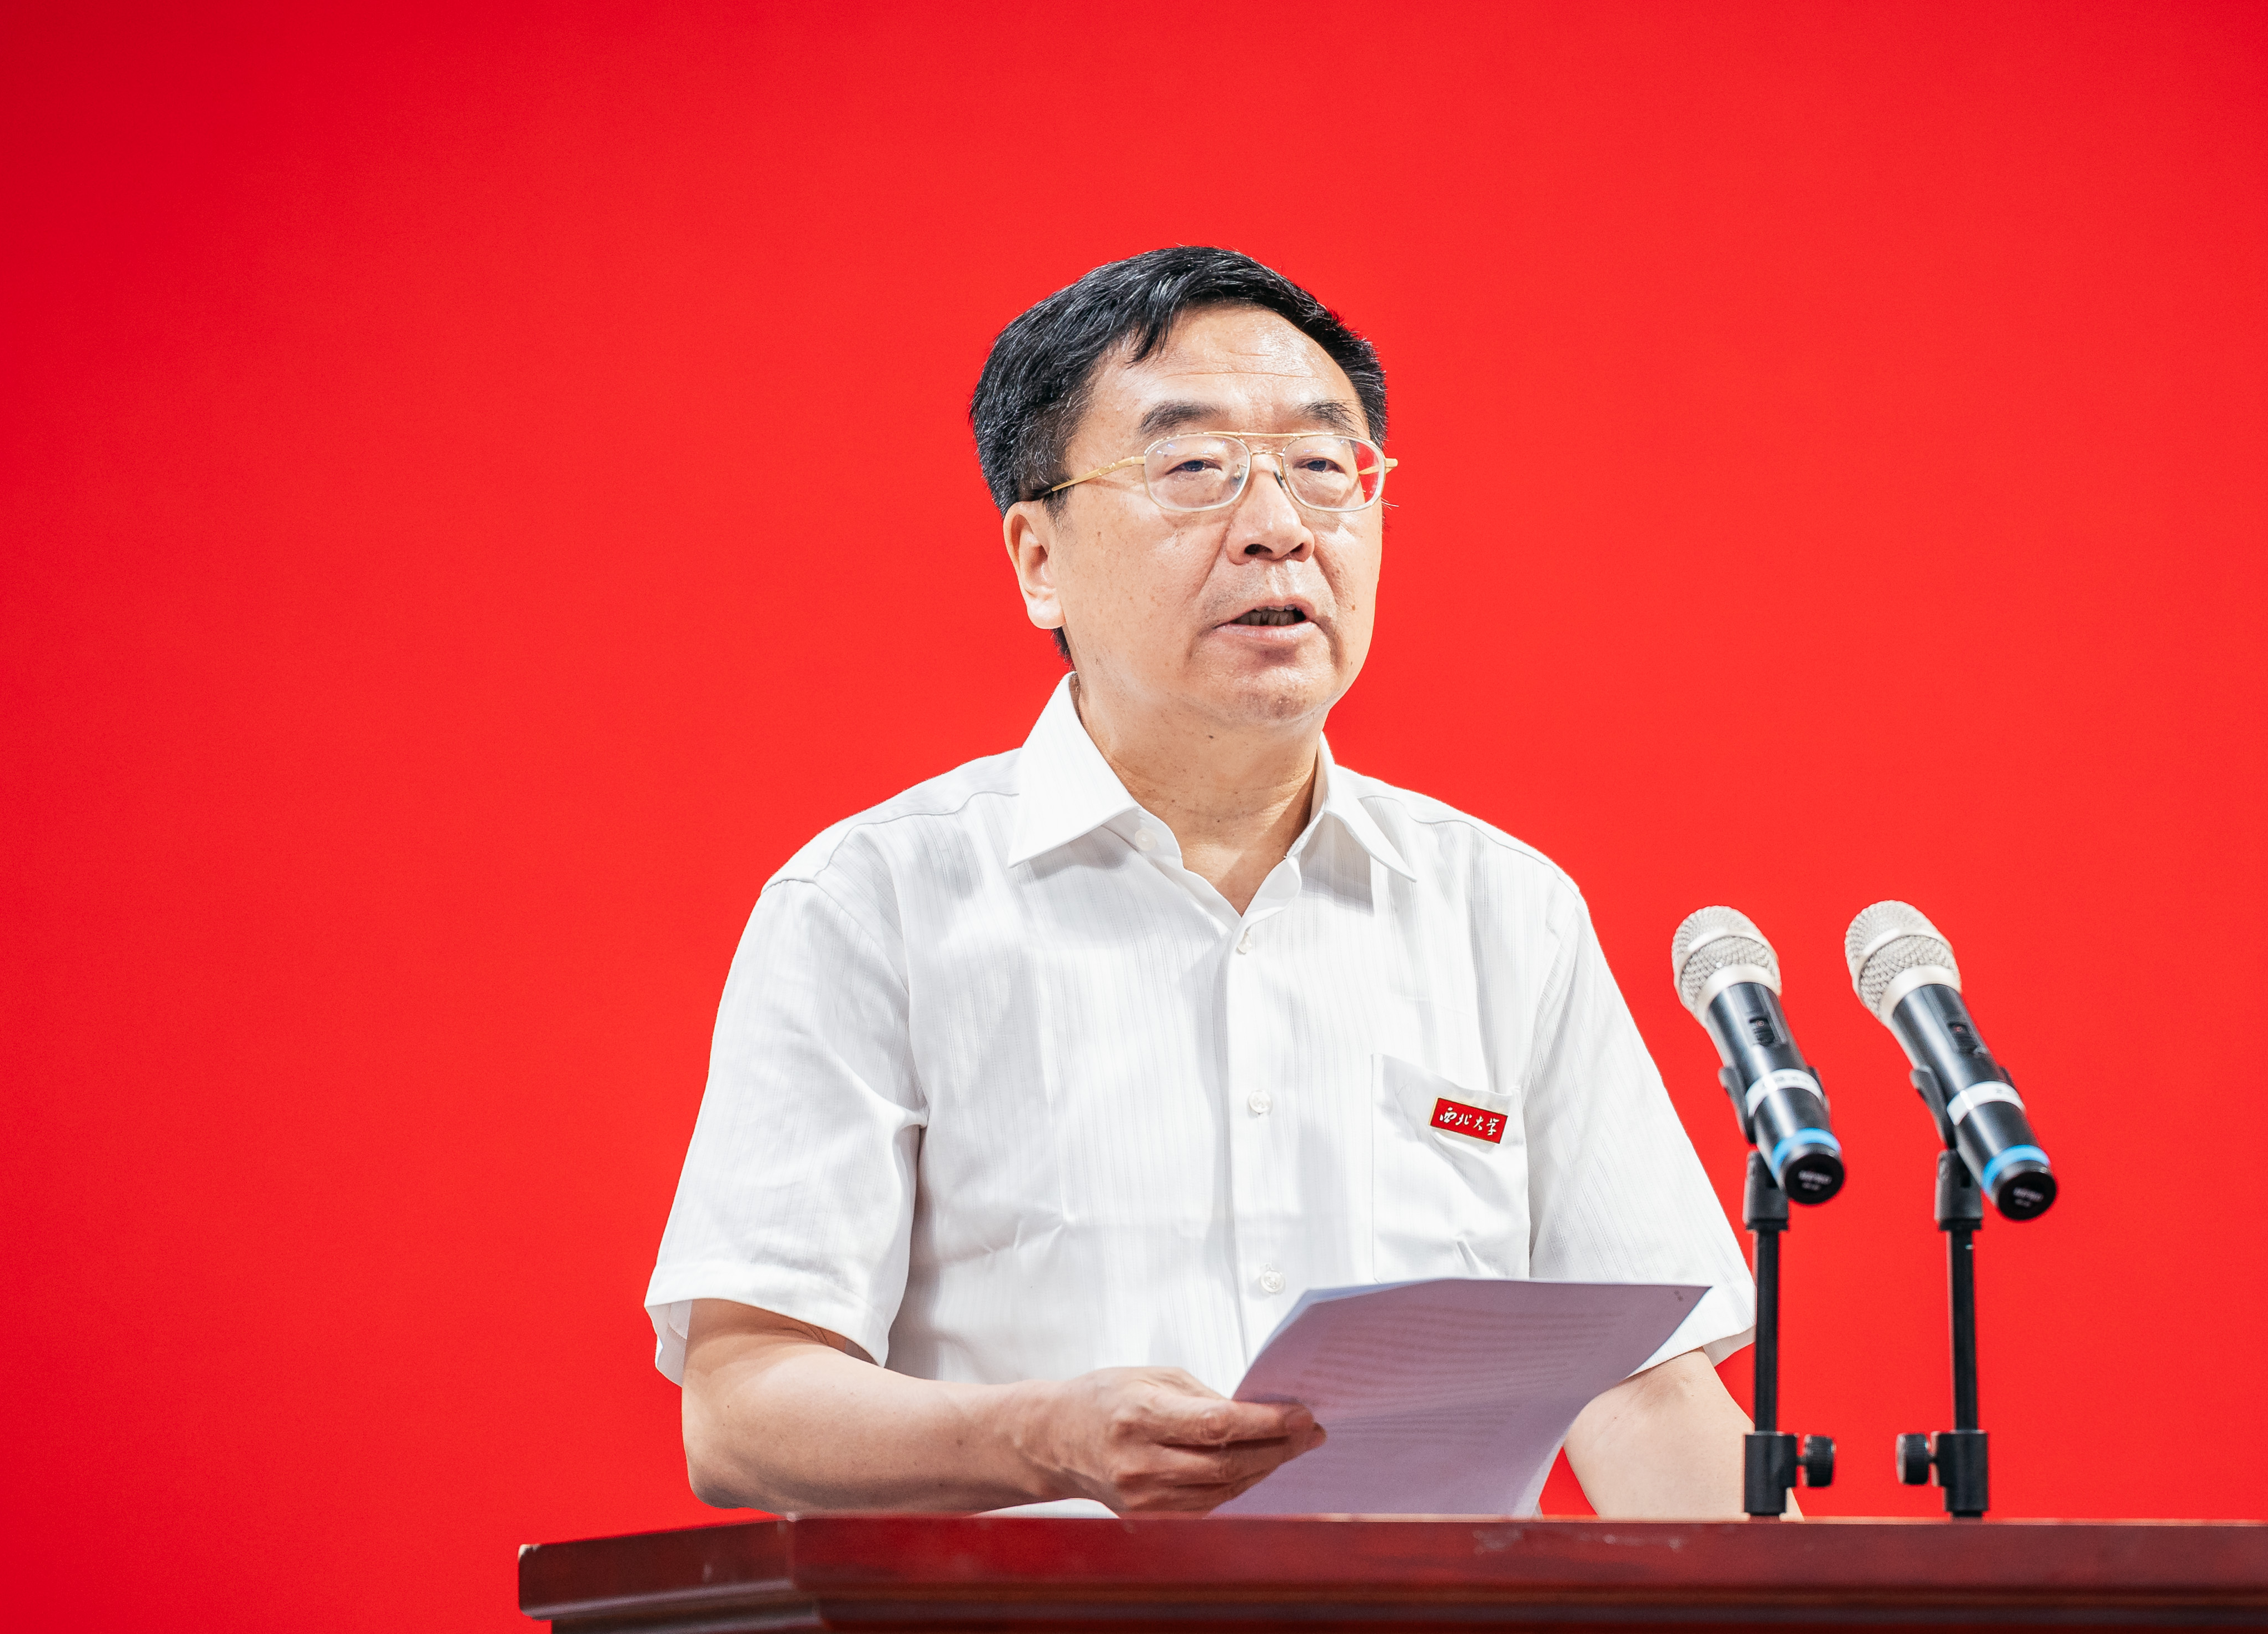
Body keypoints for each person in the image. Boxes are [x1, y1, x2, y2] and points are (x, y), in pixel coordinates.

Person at [649, 247, 1755, 1516]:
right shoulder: (875, 902)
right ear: (1038, 558)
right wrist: (1040, 1438)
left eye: (1324, 466)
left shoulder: (1507, 912)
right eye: (1192, 469)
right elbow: (743, 1407)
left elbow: (1645, 1393)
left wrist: (1840, 1619)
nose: (1280, 525)